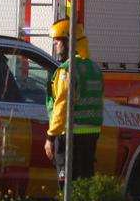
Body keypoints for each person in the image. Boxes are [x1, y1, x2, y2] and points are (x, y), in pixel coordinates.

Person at [44, 19, 105, 190]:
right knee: (85, 186)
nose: (55, 45)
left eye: (57, 40)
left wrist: (50, 137)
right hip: (91, 135)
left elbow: (61, 107)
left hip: (68, 136)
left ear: (69, 41)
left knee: (67, 188)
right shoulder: (94, 69)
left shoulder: (67, 70)